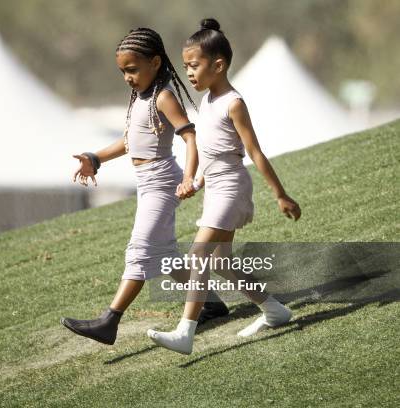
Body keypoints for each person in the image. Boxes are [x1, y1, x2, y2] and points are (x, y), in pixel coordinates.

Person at [146, 18, 302, 354]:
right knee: (220, 261)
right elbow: (211, 150)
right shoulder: (206, 102)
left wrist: (280, 195)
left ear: (218, 65)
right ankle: (274, 309)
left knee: (199, 253)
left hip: (232, 187)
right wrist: (196, 181)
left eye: (194, 65)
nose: (188, 72)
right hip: (217, 187)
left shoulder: (233, 102)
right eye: (186, 65)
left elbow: (254, 153)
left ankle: (184, 332)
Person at [61, 27, 225, 345]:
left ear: (155, 62)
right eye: (123, 71)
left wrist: (189, 177)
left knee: (139, 251)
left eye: (132, 69)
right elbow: (129, 140)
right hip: (147, 184)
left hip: (163, 183)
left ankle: (109, 321)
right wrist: (96, 157)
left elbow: (190, 137)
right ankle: (213, 302)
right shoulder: (141, 97)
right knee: (164, 256)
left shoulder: (163, 96)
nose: (127, 77)